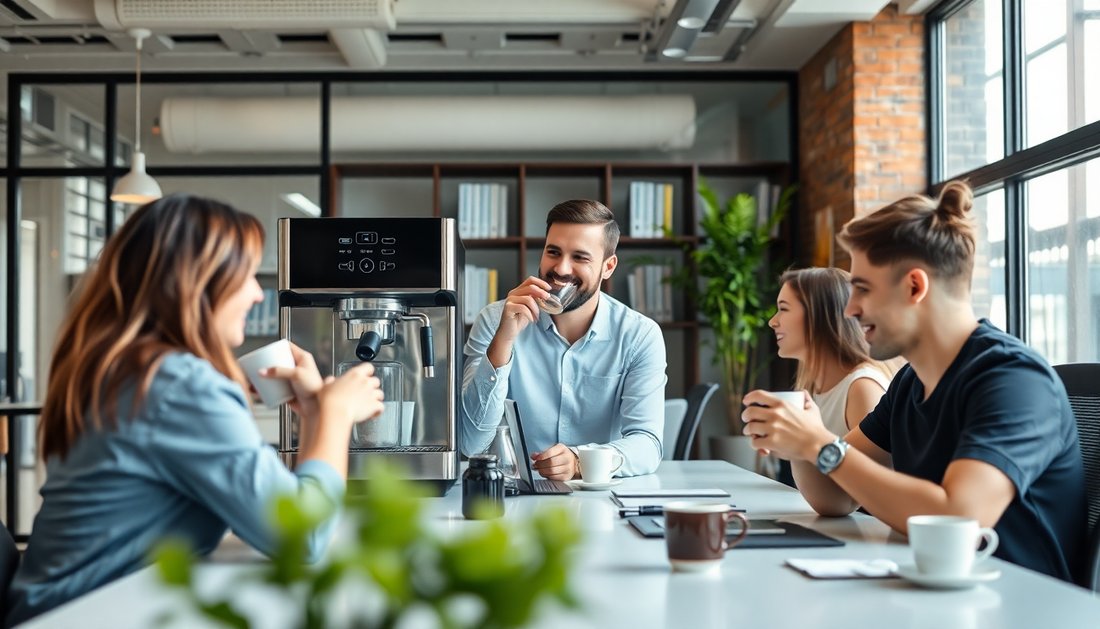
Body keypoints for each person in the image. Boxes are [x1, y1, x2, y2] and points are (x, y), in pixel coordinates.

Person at [5, 194, 384, 627]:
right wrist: (335, 414)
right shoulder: (179, 385)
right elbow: (303, 536)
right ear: (195, 283)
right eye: (244, 276)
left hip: (65, 610)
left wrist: (315, 415)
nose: (257, 293)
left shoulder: (128, 369)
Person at [741, 181, 1086, 582]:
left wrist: (820, 445)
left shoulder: (1014, 381)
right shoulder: (909, 382)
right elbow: (835, 497)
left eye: (862, 290)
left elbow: (957, 516)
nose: (850, 309)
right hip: (932, 590)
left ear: (915, 287)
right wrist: (800, 442)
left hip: (1020, 605)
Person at [461, 199, 666, 480]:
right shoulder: (495, 320)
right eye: (553, 252)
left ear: (608, 267)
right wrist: (503, 342)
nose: (561, 269)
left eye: (580, 257)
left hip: (602, 500)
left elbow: (647, 444)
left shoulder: (639, 336)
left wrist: (580, 461)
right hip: (516, 497)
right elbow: (471, 444)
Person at [769, 267, 892, 438]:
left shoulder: (862, 388)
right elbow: (812, 464)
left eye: (783, 309)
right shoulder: (811, 388)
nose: (772, 322)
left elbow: (874, 465)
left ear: (818, 316)